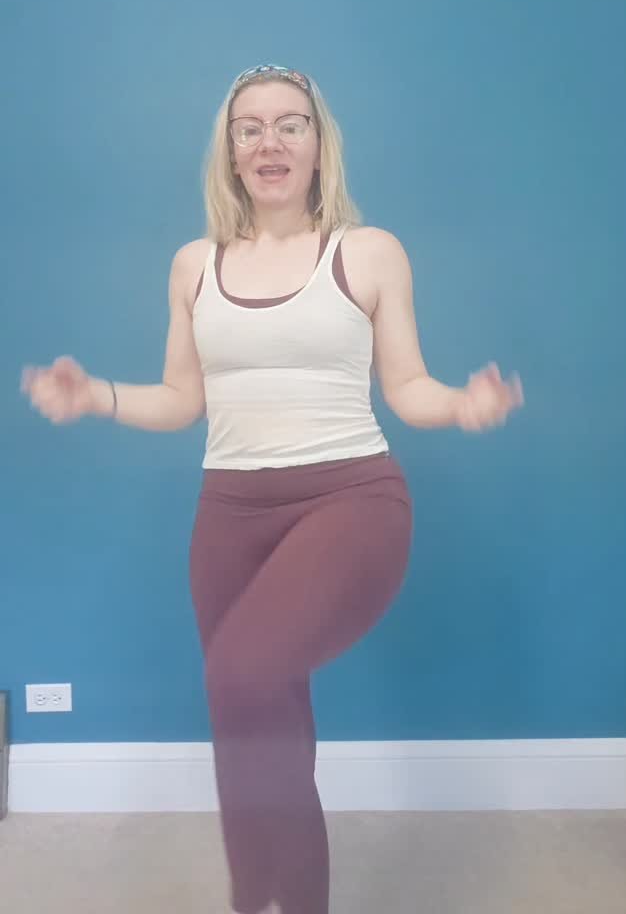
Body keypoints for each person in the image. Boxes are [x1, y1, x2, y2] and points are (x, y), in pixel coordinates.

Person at [21, 63, 524, 914]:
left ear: (320, 144)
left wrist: (461, 406)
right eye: (249, 128)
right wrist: (94, 395)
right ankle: (287, 900)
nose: (270, 142)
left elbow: (408, 387)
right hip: (228, 514)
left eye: (291, 124)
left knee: (242, 674)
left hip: (350, 502)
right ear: (229, 152)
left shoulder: (367, 252)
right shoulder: (194, 265)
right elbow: (180, 399)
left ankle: (256, 892)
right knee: (259, 721)